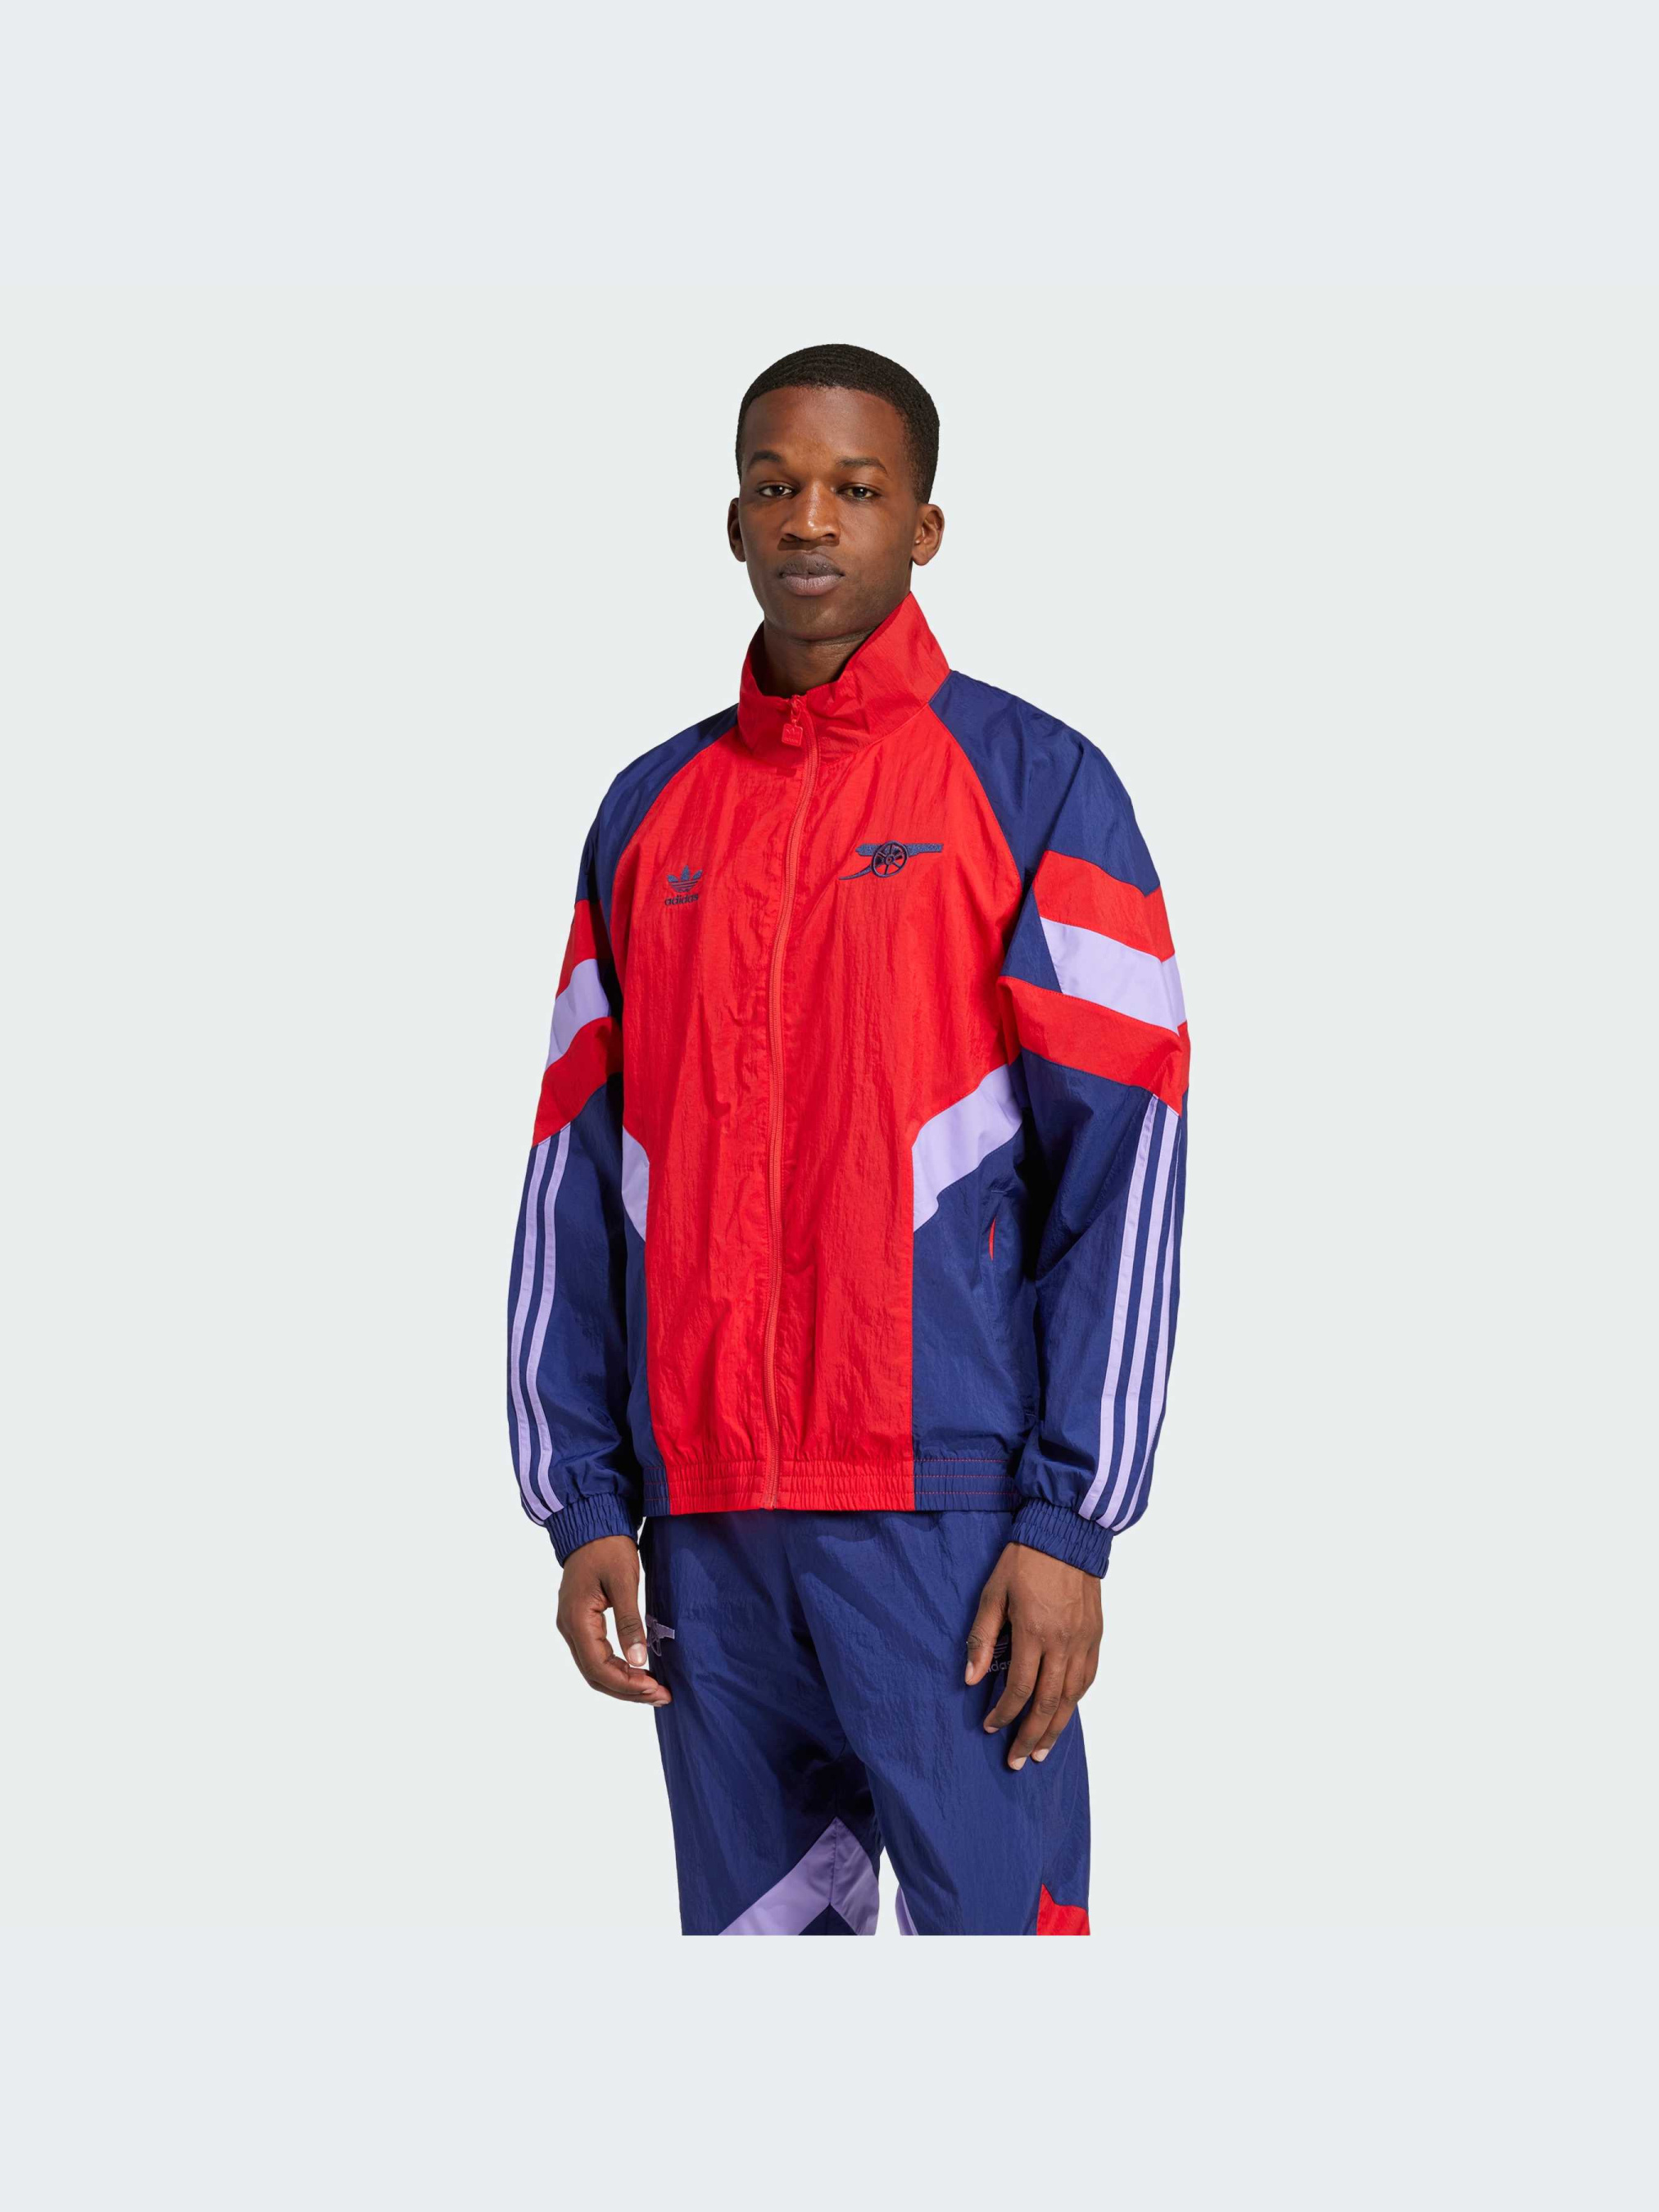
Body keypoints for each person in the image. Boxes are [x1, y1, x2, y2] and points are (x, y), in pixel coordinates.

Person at [506, 343, 1190, 1935]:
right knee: (759, 1966)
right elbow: (572, 1171)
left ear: (922, 527)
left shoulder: (1034, 786)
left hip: (945, 1518)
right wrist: (585, 1499)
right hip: (705, 1527)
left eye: (854, 488)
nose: (809, 518)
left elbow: (1127, 1165)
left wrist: (1068, 1522)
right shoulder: (647, 813)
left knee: (1001, 1962)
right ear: (733, 521)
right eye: (776, 485)